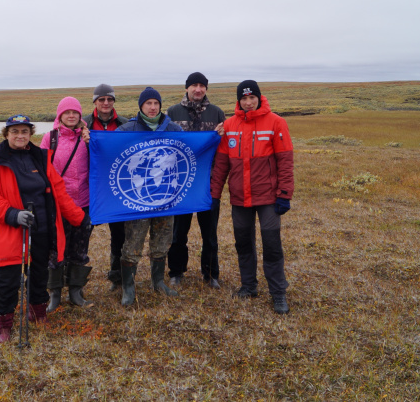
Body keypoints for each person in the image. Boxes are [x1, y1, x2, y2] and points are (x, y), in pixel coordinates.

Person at [0, 114, 86, 343]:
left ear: (31, 134)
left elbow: (58, 191)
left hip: (41, 227)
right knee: (7, 279)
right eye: (15, 131)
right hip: (10, 229)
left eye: (24, 131)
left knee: (39, 274)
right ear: (6, 134)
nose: (20, 136)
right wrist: (14, 215)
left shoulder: (40, 157)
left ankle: (37, 312)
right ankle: (3, 323)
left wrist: (79, 217)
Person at [210, 80, 294, 314]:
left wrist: (284, 194)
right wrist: (214, 194)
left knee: (272, 245)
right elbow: (221, 166)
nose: (248, 103)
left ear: (259, 97)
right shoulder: (229, 125)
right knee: (243, 244)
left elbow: (285, 161)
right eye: (243, 99)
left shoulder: (276, 123)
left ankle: (278, 293)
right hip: (239, 198)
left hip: (268, 198)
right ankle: (249, 286)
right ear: (239, 100)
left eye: (252, 98)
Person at [116, 87, 183, 306]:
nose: (153, 107)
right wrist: (90, 140)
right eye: (148, 104)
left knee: (162, 240)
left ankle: (158, 282)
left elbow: (188, 153)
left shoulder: (172, 128)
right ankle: (128, 287)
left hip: (166, 199)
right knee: (133, 242)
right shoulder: (128, 129)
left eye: (156, 103)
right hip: (138, 200)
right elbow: (108, 150)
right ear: (141, 106)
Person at [166, 72, 226, 289]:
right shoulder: (172, 112)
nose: (198, 89)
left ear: (206, 89)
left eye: (202, 86)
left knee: (209, 232)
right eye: (194, 86)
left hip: (208, 183)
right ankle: (176, 271)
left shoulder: (217, 112)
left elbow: (224, 146)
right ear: (187, 88)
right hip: (180, 183)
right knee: (178, 232)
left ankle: (211, 274)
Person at [39, 97, 94, 312]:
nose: (71, 116)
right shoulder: (49, 139)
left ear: (80, 116)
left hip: (83, 203)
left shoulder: (89, 139)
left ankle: (76, 292)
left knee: (80, 248)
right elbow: (43, 170)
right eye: (67, 112)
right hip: (58, 204)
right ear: (59, 115)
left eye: (75, 112)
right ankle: (54, 293)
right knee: (56, 249)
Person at [83, 84, 128, 291]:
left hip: (117, 187)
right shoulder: (83, 123)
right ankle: (76, 283)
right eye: (101, 99)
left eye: (109, 99)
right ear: (95, 102)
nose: (106, 103)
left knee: (119, 234)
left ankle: (117, 277)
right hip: (90, 188)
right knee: (82, 233)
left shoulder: (125, 125)